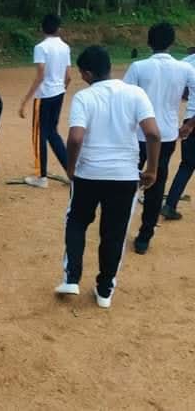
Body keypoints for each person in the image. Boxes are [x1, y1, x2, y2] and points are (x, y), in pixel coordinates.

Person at [57, 46, 160, 308]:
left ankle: (71, 277)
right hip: (124, 176)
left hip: (89, 173)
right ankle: (104, 290)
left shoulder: (84, 97)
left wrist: (71, 167)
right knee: (114, 233)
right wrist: (152, 169)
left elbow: (76, 138)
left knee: (77, 221)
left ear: (88, 73)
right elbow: (152, 133)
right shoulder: (135, 93)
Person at [123, 23, 195, 254]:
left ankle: (119, 224)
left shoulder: (138, 67)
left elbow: (123, 98)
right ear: (172, 43)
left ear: (148, 42)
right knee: (157, 182)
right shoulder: (184, 68)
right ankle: (145, 237)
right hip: (166, 135)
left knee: (126, 179)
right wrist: (189, 124)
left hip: (138, 134)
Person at [18, 14, 71, 188]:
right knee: (53, 133)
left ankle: (41, 177)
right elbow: (68, 76)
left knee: (40, 134)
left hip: (44, 96)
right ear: (59, 29)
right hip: (59, 93)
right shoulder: (65, 47)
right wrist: (60, 89)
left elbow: (40, 75)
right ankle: (72, 173)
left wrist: (25, 101)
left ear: (42, 28)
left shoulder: (41, 47)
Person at [161, 46, 195, 220]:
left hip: (190, 118)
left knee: (187, 165)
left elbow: (180, 91)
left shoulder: (186, 62)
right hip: (192, 121)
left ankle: (170, 204)